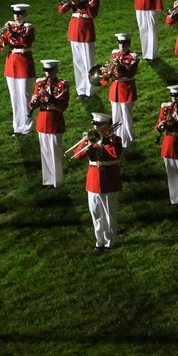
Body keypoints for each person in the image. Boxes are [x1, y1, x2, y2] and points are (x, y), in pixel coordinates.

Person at [72, 112, 123, 249]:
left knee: (108, 213)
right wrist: (85, 146)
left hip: (109, 178)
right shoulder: (90, 138)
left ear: (107, 125)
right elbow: (77, 156)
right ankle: (99, 241)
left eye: (99, 125)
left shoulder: (115, 140)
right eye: (94, 124)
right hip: (93, 179)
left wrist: (105, 143)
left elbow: (116, 154)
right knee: (95, 212)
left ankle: (110, 241)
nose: (95, 127)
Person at [58, 0, 100, 98]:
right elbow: (61, 10)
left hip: (86, 29)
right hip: (74, 30)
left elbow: (93, 13)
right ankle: (81, 89)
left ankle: (91, 89)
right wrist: (68, 0)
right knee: (78, 62)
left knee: (88, 62)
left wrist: (79, 3)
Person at [29, 60, 70, 188]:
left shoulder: (62, 85)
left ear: (56, 71)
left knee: (55, 152)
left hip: (55, 120)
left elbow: (62, 105)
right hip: (42, 121)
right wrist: (34, 102)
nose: (48, 74)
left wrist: (49, 97)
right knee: (45, 152)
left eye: (50, 71)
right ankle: (47, 180)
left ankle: (57, 181)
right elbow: (32, 104)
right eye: (46, 71)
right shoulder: (40, 83)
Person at [0, 4, 35, 136]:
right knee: (15, 97)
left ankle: (28, 126)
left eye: (20, 14)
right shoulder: (10, 27)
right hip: (11, 63)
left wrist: (11, 32)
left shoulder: (28, 27)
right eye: (15, 14)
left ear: (25, 15)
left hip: (24, 62)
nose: (17, 16)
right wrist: (0, 38)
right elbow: (3, 43)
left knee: (25, 95)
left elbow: (24, 41)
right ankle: (18, 127)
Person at [101, 33, 139, 148]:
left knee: (126, 116)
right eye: (120, 44)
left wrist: (120, 65)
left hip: (126, 89)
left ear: (129, 45)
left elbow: (129, 73)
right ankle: (116, 139)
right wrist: (106, 72)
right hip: (115, 89)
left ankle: (128, 140)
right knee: (116, 115)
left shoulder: (133, 57)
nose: (122, 46)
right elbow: (109, 70)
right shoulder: (114, 54)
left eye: (125, 44)